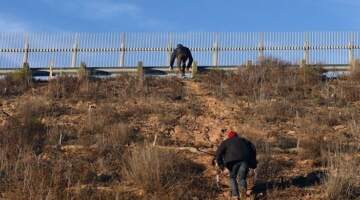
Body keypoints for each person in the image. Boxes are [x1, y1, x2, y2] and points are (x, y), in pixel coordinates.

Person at [215, 130, 257, 200]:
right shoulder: (244, 140)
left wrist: (222, 166)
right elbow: (253, 149)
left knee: (232, 177)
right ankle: (243, 194)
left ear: (229, 137)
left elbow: (218, 154)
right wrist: (253, 163)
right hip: (244, 161)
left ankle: (235, 196)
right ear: (237, 136)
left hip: (232, 162)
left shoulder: (226, 142)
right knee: (242, 178)